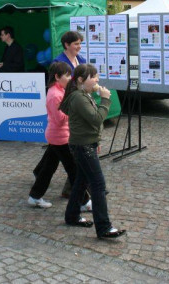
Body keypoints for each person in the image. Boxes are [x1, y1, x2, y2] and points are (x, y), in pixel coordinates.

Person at [59, 64, 125, 239]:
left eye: (97, 76)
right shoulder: (78, 97)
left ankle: (72, 216)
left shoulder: (84, 95)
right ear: (81, 80)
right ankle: (103, 227)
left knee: (81, 181)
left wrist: (95, 140)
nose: (97, 80)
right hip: (83, 147)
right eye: (93, 76)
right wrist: (105, 100)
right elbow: (96, 120)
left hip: (86, 144)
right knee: (98, 184)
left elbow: (88, 123)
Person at [27, 62, 91, 211]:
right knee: (74, 169)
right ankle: (83, 201)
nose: (70, 78)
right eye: (67, 75)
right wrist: (75, 109)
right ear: (57, 77)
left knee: (48, 168)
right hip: (60, 138)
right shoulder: (55, 94)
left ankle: (35, 196)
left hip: (58, 136)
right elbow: (60, 118)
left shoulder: (59, 91)